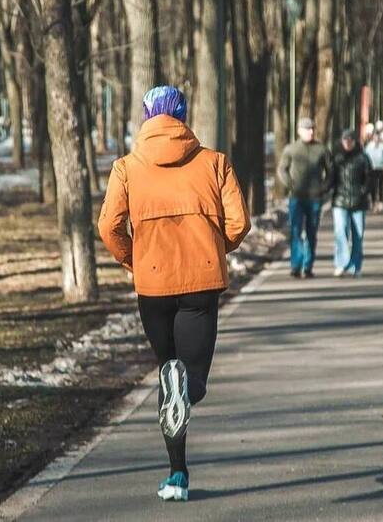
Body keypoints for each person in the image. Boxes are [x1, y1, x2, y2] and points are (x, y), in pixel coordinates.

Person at [98, 85, 250, 502]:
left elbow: (109, 227)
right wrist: (214, 248)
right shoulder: (214, 163)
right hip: (201, 284)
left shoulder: (126, 168)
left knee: (170, 374)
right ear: (182, 116)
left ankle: (177, 475)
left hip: (153, 287)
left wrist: (135, 260)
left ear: (146, 117)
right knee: (190, 379)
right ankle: (182, 435)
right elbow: (238, 224)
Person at [277, 117, 331, 278]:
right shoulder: (291, 149)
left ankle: (308, 266)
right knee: (295, 231)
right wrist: (290, 185)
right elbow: (282, 169)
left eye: (312, 129)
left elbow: (331, 171)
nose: (311, 132)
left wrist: (324, 187)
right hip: (297, 198)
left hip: (315, 198)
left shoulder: (322, 149)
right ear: (299, 131)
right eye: (307, 129)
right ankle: (296, 265)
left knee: (311, 232)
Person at [330, 129, 371, 278]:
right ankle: (341, 263)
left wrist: (363, 191)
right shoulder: (336, 158)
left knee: (358, 235)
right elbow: (331, 179)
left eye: (350, 140)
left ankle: (355, 266)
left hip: (358, 203)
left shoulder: (363, 158)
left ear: (354, 141)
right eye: (345, 140)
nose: (347, 143)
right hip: (340, 201)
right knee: (340, 232)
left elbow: (369, 178)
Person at [364, 121, 383, 212]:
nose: (376, 138)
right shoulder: (368, 147)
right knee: (373, 186)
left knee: (381, 186)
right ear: (372, 138)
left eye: (377, 137)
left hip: (382, 168)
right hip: (372, 168)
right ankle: (374, 202)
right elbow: (365, 157)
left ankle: (381, 202)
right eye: (374, 137)